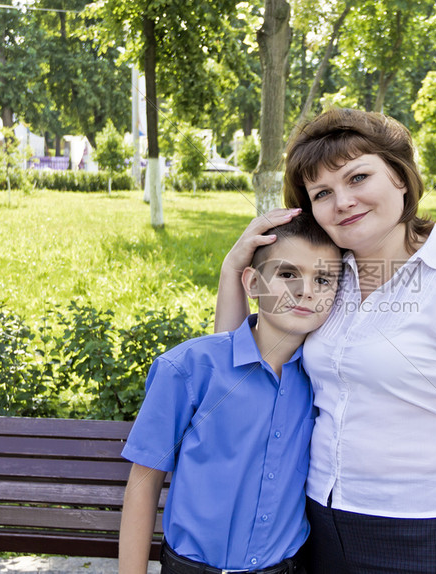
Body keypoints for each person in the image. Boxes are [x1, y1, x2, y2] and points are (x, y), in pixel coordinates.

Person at [215, 108, 436, 573]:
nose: (342, 201)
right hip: (312, 523)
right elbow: (238, 367)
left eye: (358, 177)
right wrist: (231, 269)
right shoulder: (322, 281)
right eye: (322, 192)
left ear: (401, 179)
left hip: (419, 533)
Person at [119, 214, 342, 574]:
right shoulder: (188, 368)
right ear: (253, 283)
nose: (307, 290)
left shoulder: (324, 379)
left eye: (323, 279)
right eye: (288, 274)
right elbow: (143, 486)